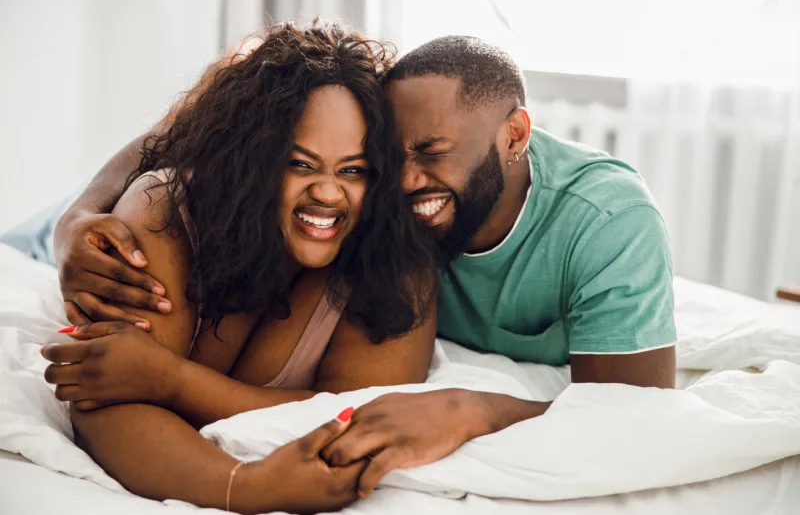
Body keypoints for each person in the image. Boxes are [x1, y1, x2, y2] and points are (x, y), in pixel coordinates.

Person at [48, 35, 676, 500]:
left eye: (357, 169)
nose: (402, 182)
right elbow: (200, 124)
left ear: (515, 137)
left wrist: (467, 409)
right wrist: (74, 218)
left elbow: (632, 411)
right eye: (386, 158)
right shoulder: (184, 201)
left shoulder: (602, 223)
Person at [38, 21, 440, 514]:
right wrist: (243, 486)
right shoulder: (165, 211)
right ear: (250, 162)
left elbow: (362, 416)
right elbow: (106, 394)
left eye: (353, 170)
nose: (330, 193)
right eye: (300, 164)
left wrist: (171, 379)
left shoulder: (396, 263)